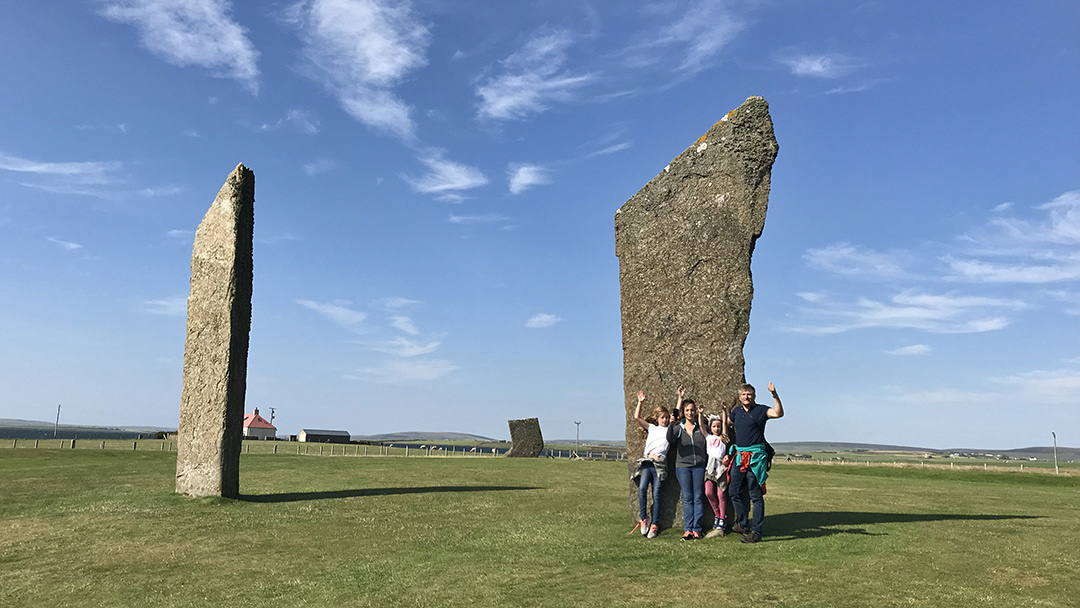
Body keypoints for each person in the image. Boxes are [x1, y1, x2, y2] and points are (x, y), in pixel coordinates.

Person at [727, 382, 784, 544]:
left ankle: (756, 532)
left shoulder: (760, 410)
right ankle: (743, 525)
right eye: (744, 394)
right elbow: (729, 423)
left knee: (755, 495)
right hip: (739, 456)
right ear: (739, 397)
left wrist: (774, 395)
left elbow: (779, 413)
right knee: (734, 491)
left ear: (754, 396)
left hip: (756, 457)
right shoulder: (736, 412)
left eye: (749, 394)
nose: (746, 396)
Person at [667, 385, 708, 540]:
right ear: (683, 413)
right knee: (687, 497)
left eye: (692, 410)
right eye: (687, 410)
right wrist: (680, 399)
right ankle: (688, 529)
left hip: (699, 466)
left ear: (696, 411)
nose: (690, 413)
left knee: (698, 497)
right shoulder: (678, 428)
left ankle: (697, 529)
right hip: (683, 466)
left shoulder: (701, 427)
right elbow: (670, 438)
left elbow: (710, 443)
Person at [631, 390, 671, 539]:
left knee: (656, 494)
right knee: (642, 489)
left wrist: (679, 398)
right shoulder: (652, 428)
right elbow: (637, 417)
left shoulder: (669, 431)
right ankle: (644, 519)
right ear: (657, 418)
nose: (664, 420)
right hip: (648, 463)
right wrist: (640, 402)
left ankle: (655, 524)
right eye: (662, 417)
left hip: (659, 464)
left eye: (666, 418)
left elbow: (677, 415)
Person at [702, 412, 730, 535]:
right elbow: (702, 427)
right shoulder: (708, 437)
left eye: (718, 426)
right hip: (709, 467)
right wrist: (700, 413)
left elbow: (725, 424)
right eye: (714, 426)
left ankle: (723, 518)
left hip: (721, 467)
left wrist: (724, 412)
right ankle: (717, 514)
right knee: (708, 492)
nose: (716, 428)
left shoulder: (723, 438)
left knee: (721, 494)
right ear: (710, 427)